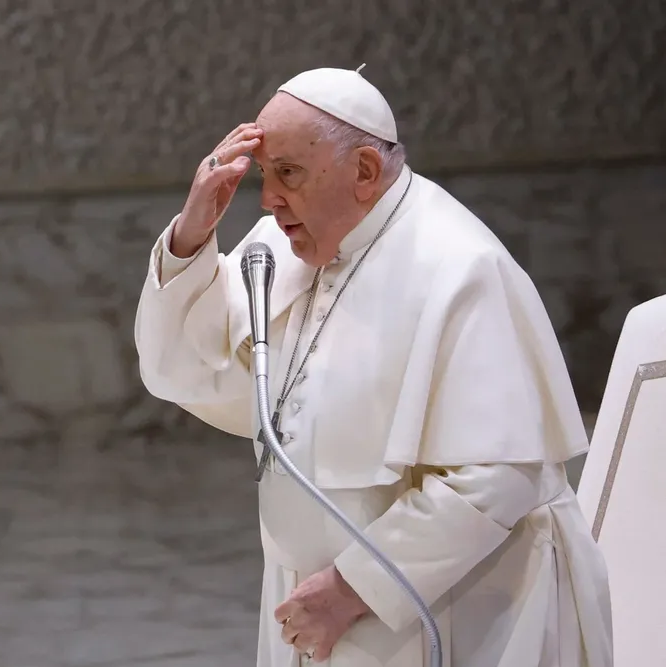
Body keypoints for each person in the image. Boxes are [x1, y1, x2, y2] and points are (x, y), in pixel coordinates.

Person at [134, 66, 613, 666]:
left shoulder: (459, 267)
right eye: (264, 174)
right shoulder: (280, 248)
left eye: (289, 174)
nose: (270, 198)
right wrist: (191, 234)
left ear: (363, 171)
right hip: (313, 601)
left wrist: (355, 587)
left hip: (451, 603)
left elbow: (495, 475)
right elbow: (178, 370)